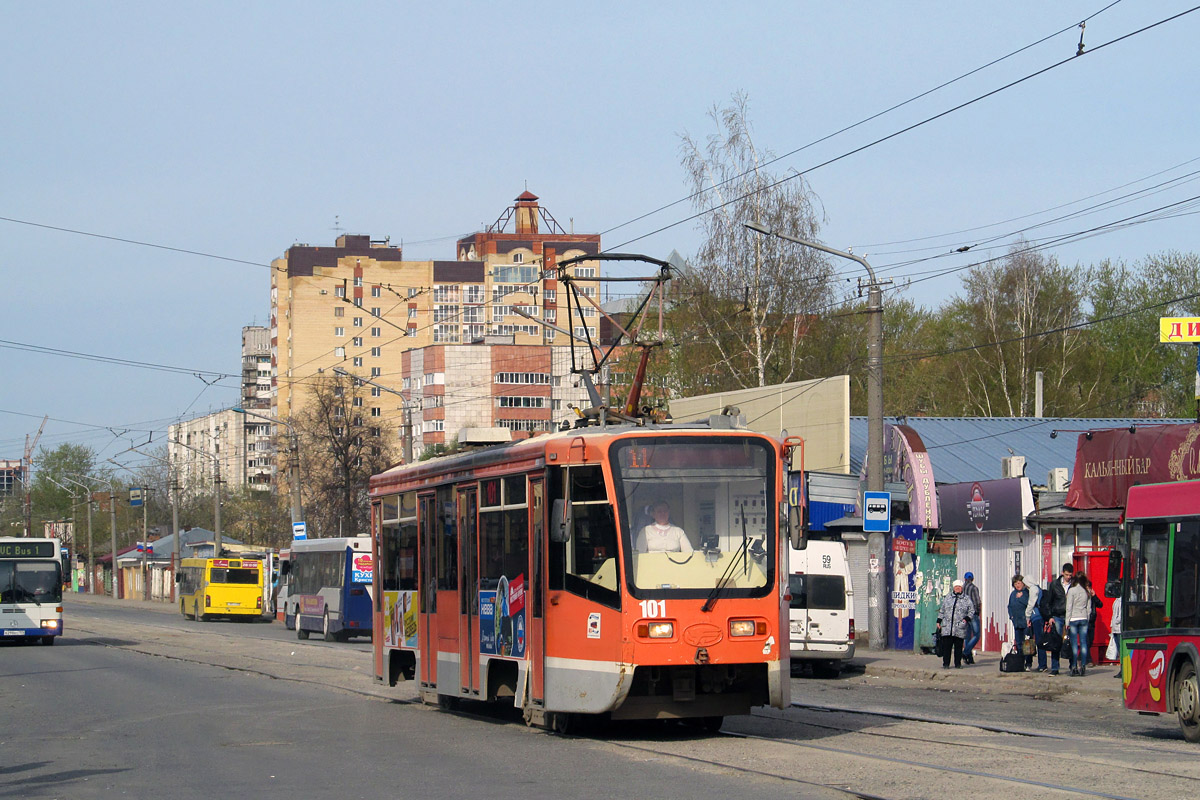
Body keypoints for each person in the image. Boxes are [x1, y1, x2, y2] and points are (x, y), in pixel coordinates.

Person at [1039, 562, 1074, 675]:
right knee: (1056, 642)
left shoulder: (1074, 585)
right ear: (1062, 573)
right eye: (1067, 575)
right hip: (1057, 616)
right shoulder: (1054, 585)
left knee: (1071, 641)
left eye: (1070, 575)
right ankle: (1055, 667)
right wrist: (1049, 617)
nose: (1068, 577)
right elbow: (1048, 602)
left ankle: (1072, 666)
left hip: (1071, 615)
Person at [937, 579, 975, 669]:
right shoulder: (948, 597)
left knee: (958, 647)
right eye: (956, 587)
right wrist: (939, 620)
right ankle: (946, 664)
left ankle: (958, 664)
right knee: (947, 647)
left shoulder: (966, 599)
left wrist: (966, 619)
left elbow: (972, 610)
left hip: (959, 627)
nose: (957, 588)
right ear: (953, 588)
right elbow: (942, 609)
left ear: (962, 588)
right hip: (947, 627)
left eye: (959, 587)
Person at [1065, 572, 1092, 676]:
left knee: (1074, 644)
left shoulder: (1072, 591)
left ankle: (1074, 666)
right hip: (1084, 617)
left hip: (1073, 618)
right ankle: (1083, 665)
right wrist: (1087, 618)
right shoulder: (1087, 591)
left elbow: (1069, 607)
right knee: (1084, 643)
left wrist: (1067, 622)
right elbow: (1088, 608)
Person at [1007, 575, 1031, 665]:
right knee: (1019, 644)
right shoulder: (1013, 594)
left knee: (1027, 644)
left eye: (1019, 583)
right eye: (1016, 583)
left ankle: (1028, 663)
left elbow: (1029, 604)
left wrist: (1021, 597)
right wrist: (1011, 616)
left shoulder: (1026, 593)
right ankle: (1021, 662)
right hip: (1016, 622)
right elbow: (1009, 606)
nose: (1018, 585)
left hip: (1025, 622)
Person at [962, 571, 982, 664]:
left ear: (965, 579)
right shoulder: (974, 588)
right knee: (977, 635)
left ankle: (969, 657)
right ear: (972, 579)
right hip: (972, 613)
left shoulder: (962, 588)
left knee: (967, 636)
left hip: (964, 614)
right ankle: (966, 652)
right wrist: (978, 611)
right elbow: (977, 601)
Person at [1027, 582, 1045, 671]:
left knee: (1038, 641)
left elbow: (1031, 604)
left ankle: (1042, 665)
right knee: (1035, 641)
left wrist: (1027, 616)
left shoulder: (1033, 589)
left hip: (1036, 618)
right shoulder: (1039, 589)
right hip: (1038, 617)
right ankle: (1039, 664)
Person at [1086, 580, 1104, 668]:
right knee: (1086, 641)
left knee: (1090, 641)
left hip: (1092, 622)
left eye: (1089, 587)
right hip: (1084, 621)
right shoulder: (1083, 596)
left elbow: (1100, 604)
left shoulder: (1092, 597)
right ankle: (1089, 660)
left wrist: (1094, 596)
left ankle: (1080, 657)